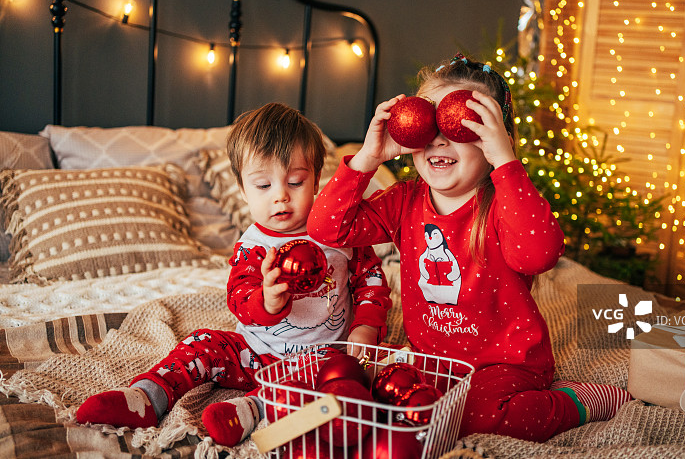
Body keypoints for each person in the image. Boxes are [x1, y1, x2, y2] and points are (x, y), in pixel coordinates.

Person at [307, 54, 632, 442]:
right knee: (375, 397)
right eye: (426, 126)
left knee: (475, 418)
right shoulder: (403, 201)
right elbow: (326, 228)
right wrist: (367, 157)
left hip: (505, 362)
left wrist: (506, 161)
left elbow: (540, 254)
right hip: (430, 359)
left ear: (495, 141)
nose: (439, 139)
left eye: (461, 128)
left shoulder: (504, 205)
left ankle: (576, 400)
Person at [76, 102, 391, 447]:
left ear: (317, 180)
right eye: (263, 185)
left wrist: (366, 327)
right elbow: (239, 298)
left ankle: (250, 410)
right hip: (253, 351)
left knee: (338, 376)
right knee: (202, 343)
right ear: (242, 189)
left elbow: (371, 280)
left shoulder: (340, 231)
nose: (281, 196)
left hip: (321, 353)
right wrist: (267, 301)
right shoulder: (253, 246)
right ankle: (147, 397)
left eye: (296, 181)